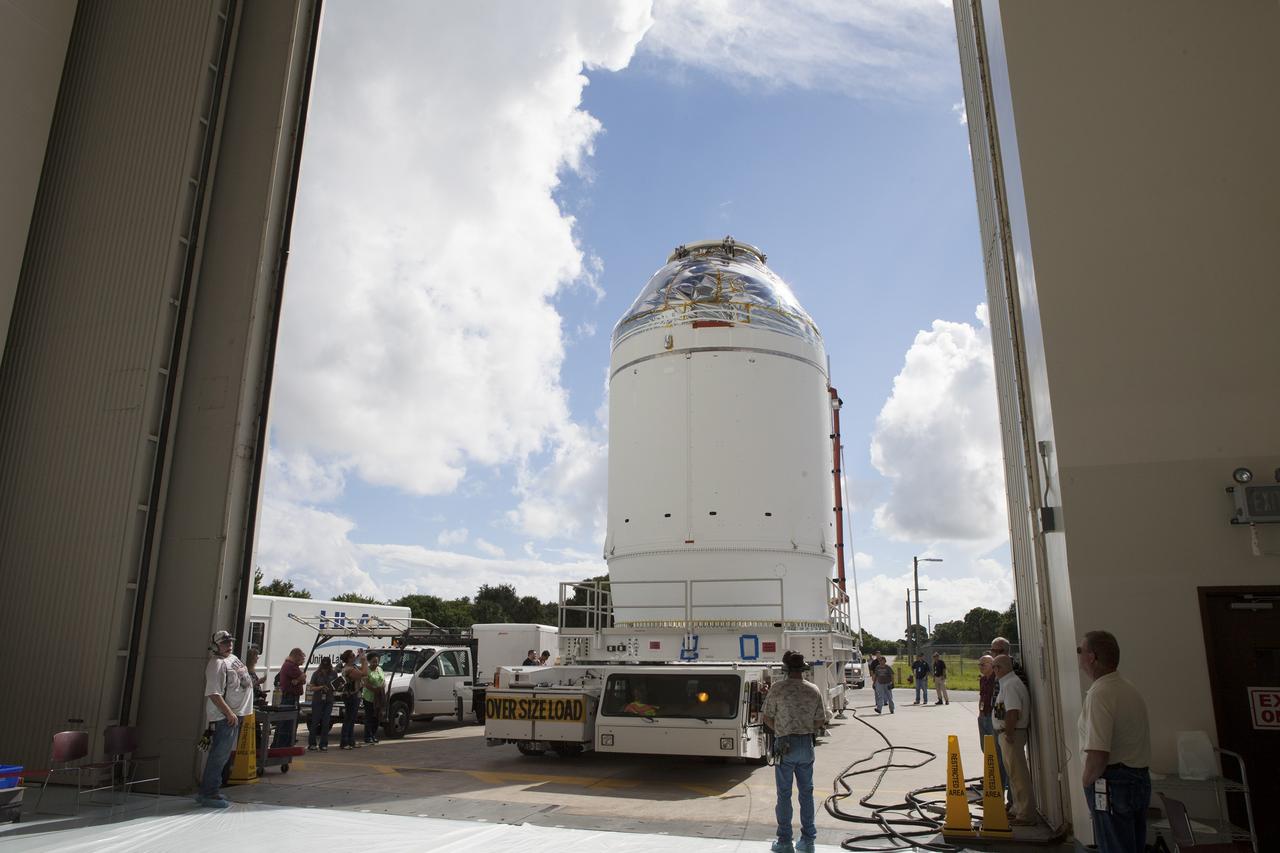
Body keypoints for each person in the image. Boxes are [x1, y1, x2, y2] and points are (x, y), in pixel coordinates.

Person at [1077, 630, 1151, 853]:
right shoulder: (1127, 688)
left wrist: (1086, 783)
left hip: (1112, 783)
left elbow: (1098, 753)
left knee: (1113, 847)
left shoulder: (1100, 694)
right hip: (1138, 779)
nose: (1079, 657)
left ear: (1091, 657)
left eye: (1080, 650)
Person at [762, 651, 829, 853]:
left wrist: (782, 730)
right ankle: (808, 841)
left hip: (784, 744)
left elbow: (767, 717)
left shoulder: (777, 689)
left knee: (784, 794)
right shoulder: (813, 690)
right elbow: (820, 720)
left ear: (785, 669)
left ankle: (784, 842)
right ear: (803, 669)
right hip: (806, 744)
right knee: (806, 793)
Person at [197, 629, 253, 809]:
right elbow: (214, 693)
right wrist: (229, 713)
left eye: (230, 642)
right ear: (215, 645)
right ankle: (209, 792)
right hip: (225, 717)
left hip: (235, 715)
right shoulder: (216, 664)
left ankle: (211, 789)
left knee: (223, 754)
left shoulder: (231, 658)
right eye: (224, 643)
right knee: (219, 755)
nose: (229, 645)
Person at [993, 653, 1036, 825]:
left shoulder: (1010, 685)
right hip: (1009, 733)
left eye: (995, 667)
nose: (993, 671)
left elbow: (1012, 712)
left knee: (1018, 775)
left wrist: (1009, 733)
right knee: (1013, 774)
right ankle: (1018, 809)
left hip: (1012, 734)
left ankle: (1026, 814)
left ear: (1000, 668)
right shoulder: (1008, 683)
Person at [977, 655, 1010, 802]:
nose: (981, 667)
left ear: (991, 665)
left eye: (983, 664)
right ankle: (991, 789)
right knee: (986, 750)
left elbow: (1000, 701)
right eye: (979, 665)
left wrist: (998, 720)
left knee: (996, 755)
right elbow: (982, 697)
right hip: (983, 717)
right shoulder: (983, 679)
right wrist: (980, 714)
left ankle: (999, 792)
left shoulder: (998, 681)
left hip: (993, 718)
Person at [272, 647, 306, 747]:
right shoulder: (290, 666)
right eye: (301, 658)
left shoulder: (291, 666)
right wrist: (301, 677)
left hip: (291, 698)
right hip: (289, 698)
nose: (302, 661)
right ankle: (282, 746)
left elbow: (303, 679)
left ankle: (282, 745)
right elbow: (303, 677)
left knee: (288, 723)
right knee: (287, 724)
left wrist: (298, 679)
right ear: (296, 656)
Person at [338, 649, 367, 750]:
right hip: (351, 696)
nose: (355, 657)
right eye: (353, 656)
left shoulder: (353, 667)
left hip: (355, 695)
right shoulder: (348, 669)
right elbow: (364, 673)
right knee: (348, 719)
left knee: (352, 719)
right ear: (349, 658)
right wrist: (364, 660)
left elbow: (363, 671)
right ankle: (344, 742)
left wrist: (361, 657)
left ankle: (351, 741)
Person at [308, 656, 337, 752]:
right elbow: (311, 687)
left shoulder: (333, 673)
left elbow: (336, 685)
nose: (325, 668)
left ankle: (323, 744)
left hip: (329, 700)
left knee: (326, 722)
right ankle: (312, 744)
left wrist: (336, 687)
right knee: (315, 722)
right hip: (318, 700)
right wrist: (320, 687)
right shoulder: (316, 674)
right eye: (324, 666)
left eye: (327, 666)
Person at [362, 652, 386, 744]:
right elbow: (365, 683)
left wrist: (381, 687)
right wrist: (374, 689)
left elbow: (383, 680)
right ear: (369, 661)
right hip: (369, 698)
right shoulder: (366, 670)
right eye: (373, 662)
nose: (375, 663)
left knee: (377, 717)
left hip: (378, 697)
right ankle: (367, 736)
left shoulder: (380, 669)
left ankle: (373, 735)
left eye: (377, 662)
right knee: (369, 718)